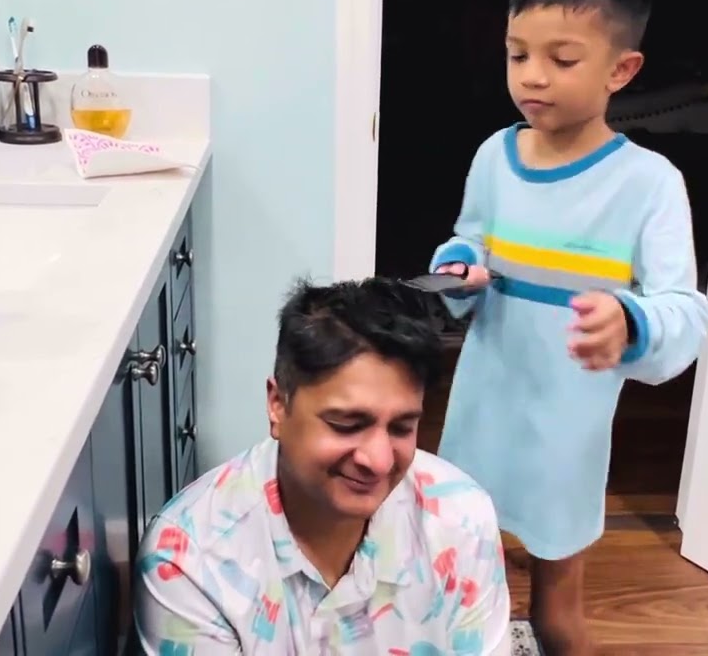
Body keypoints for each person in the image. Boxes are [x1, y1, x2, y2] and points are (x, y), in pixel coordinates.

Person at [429, 0, 708, 654]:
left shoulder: (648, 185)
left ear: (622, 69)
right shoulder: (494, 156)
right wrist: (459, 270)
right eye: (517, 54)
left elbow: (684, 309)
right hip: (482, 406)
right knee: (467, 577)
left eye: (561, 59)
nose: (532, 76)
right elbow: (469, 240)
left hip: (566, 428)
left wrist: (630, 322)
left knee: (557, 603)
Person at [134, 277, 511, 654]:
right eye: (346, 425)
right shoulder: (190, 561)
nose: (379, 460)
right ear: (278, 404)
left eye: (401, 428)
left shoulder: (461, 520)